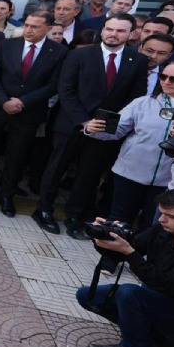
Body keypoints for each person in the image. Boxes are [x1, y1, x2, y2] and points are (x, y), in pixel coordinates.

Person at [34, 14, 148, 237]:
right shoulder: (79, 54)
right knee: (56, 169)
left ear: (131, 34)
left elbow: (136, 98)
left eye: (120, 31)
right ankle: (43, 209)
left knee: (89, 175)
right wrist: (84, 121)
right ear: (103, 30)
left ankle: (74, 215)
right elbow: (66, 89)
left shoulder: (138, 60)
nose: (113, 34)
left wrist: (108, 124)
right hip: (71, 124)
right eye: (110, 29)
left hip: (106, 130)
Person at [75, 189, 174, 347]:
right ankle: (150, 342)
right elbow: (129, 249)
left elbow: (168, 285)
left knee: (129, 293)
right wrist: (105, 236)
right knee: (88, 296)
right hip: (157, 302)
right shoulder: (162, 231)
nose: (162, 220)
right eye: (162, 213)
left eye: (171, 216)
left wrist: (129, 252)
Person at [0, 11, 66, 215]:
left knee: (17, 156)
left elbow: (54, 85)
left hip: (28, 112)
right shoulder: (6, 45)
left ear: (48, 28)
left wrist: (23, 101)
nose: (29, 30)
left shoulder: (59, 52)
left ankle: (7, 194)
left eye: (35, 27)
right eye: (27, 25)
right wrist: (4, 101)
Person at [84, 57, 174, 228]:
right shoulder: (143, 102)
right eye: (163, 76)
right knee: (117, 224)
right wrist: (92, 128)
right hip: (128, 174)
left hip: (170, 181)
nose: (166, 82)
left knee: (154, 229)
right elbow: (116, 130)